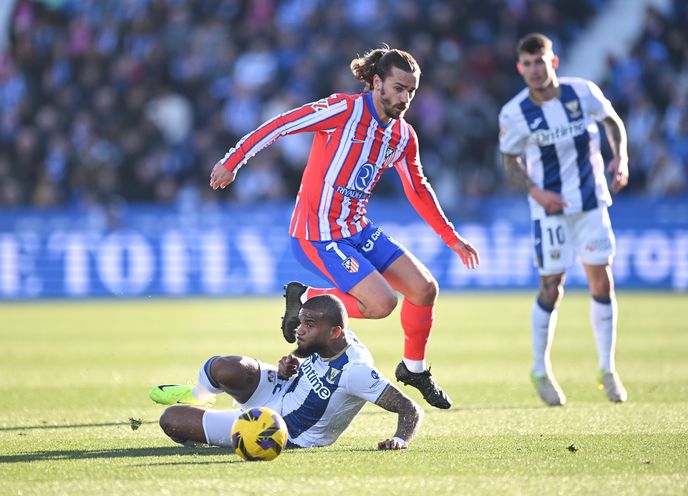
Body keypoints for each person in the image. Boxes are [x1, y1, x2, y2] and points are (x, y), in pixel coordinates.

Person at [209, 46, 480, 409]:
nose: (405, 98)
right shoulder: (343, 110)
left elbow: (417, 188)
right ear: (377, 82)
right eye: (398, 88)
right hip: (318, 235)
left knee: (424, 289)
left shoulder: (402, 136)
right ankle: (305, 299)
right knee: (382, 304)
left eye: (411, 92)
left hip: (357, 228)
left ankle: (413, 369)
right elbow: (281, 124)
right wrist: (233, 161)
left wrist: (452, 237)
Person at [498, 33, 629, 406]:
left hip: (590, 204)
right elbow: (510, 160)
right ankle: (540, 369)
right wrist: (536, 192)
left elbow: (612, 121)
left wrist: (621, 157)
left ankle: (607, 369)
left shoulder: (582, 92)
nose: (534, 70)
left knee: (601, 280)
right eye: (527, 64)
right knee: (551, 287)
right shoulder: (514, 113)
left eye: (540, 62)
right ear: (520, 68)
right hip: (549, 211)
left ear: (552, 62)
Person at [150, 295, 424, 450]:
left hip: (282, 430)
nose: (299, 330)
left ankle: (199, 435)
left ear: (334, 332)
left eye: (309, 325)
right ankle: (198, 394)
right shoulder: (336, 338)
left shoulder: (356, 371)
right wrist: (290, 367)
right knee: (226, 366)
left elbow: (410, 409)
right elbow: (311, 361)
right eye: (301, 322)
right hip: (282, 389)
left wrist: (400, 440)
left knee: (171, 419)